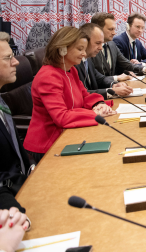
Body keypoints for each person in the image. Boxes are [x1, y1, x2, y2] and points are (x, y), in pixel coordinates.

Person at [23, 27, 116, 161]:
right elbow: (61, 117)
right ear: (62, 49)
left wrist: (99, 104)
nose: (84, 54)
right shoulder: (48, 76)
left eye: (85, 49)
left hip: (68, 135)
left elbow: (85, 96)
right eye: (80, 49)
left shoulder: (71, 70)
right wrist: (95, 114)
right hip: (48, 144)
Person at [0, 32, 33, 227]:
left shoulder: (1, 97)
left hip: (23, 184)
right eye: (7, 58)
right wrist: (15, 213)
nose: (16, 62)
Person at [90, 12, 146, 78]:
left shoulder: (112, 44)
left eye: (142, 28)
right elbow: (119, 69)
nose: (114, 33)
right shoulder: (90, 50)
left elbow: (127, 64)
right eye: (110, 29)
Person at [76, 23, 133, 99]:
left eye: (101, 43)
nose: (100, 48)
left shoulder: (88, 59)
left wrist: (113, 84)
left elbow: (100, 78)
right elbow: (81, 93)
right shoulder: (74, 63)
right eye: (97, 43)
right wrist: (112, 91)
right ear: (85, 41)